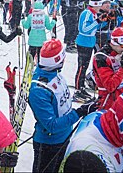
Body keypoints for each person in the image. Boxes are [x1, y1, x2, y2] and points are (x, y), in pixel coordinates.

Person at [29, 39, 97, 173]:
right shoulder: (39, 90)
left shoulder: (54, 73)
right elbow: (52, 126)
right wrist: (79, 112)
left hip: (65, 137)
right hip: (49, 144)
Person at [91, 27, 123, 109]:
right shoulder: (101, 57)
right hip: (108, 102)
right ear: (115, 43)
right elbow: (110, 86)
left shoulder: (122, 53)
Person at [73, 0, 106, 102]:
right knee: (82, 67)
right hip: (83, 42)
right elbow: (84, 29)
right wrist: (97, 21)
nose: (101, 7)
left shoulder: (93, 13)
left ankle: (81, 88)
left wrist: (104, 21)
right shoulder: (87, 13)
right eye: (100, 5)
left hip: (89, 42)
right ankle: (77, 90)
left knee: (85, 66)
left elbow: (94, 27)